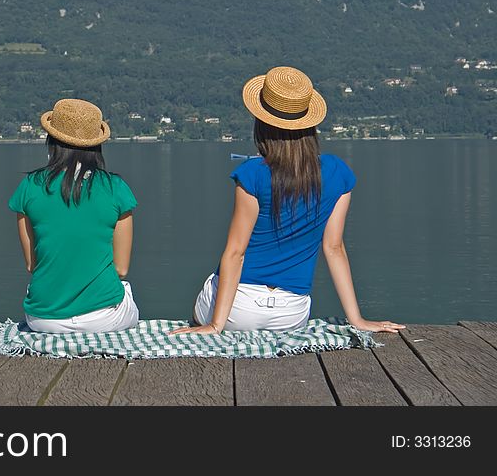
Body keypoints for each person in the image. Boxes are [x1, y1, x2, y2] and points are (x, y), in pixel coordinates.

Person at [172, 66, 405, 336]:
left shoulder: (252, 174)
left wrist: (215, 325)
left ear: (261, 123)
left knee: (200, 301)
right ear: (310, 125)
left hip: (239, 309)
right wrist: (358, 320)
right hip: (291, 313)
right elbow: (334, 248)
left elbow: (236, 253)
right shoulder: (337, 172)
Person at [8, 98, 140, 333]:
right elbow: (121, 269)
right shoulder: (116, 188)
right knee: (125, 288)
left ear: (52, 142)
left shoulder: (29, 186)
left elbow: (32, 264)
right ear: (96, 145)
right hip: (103, 319)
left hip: (43, 320)